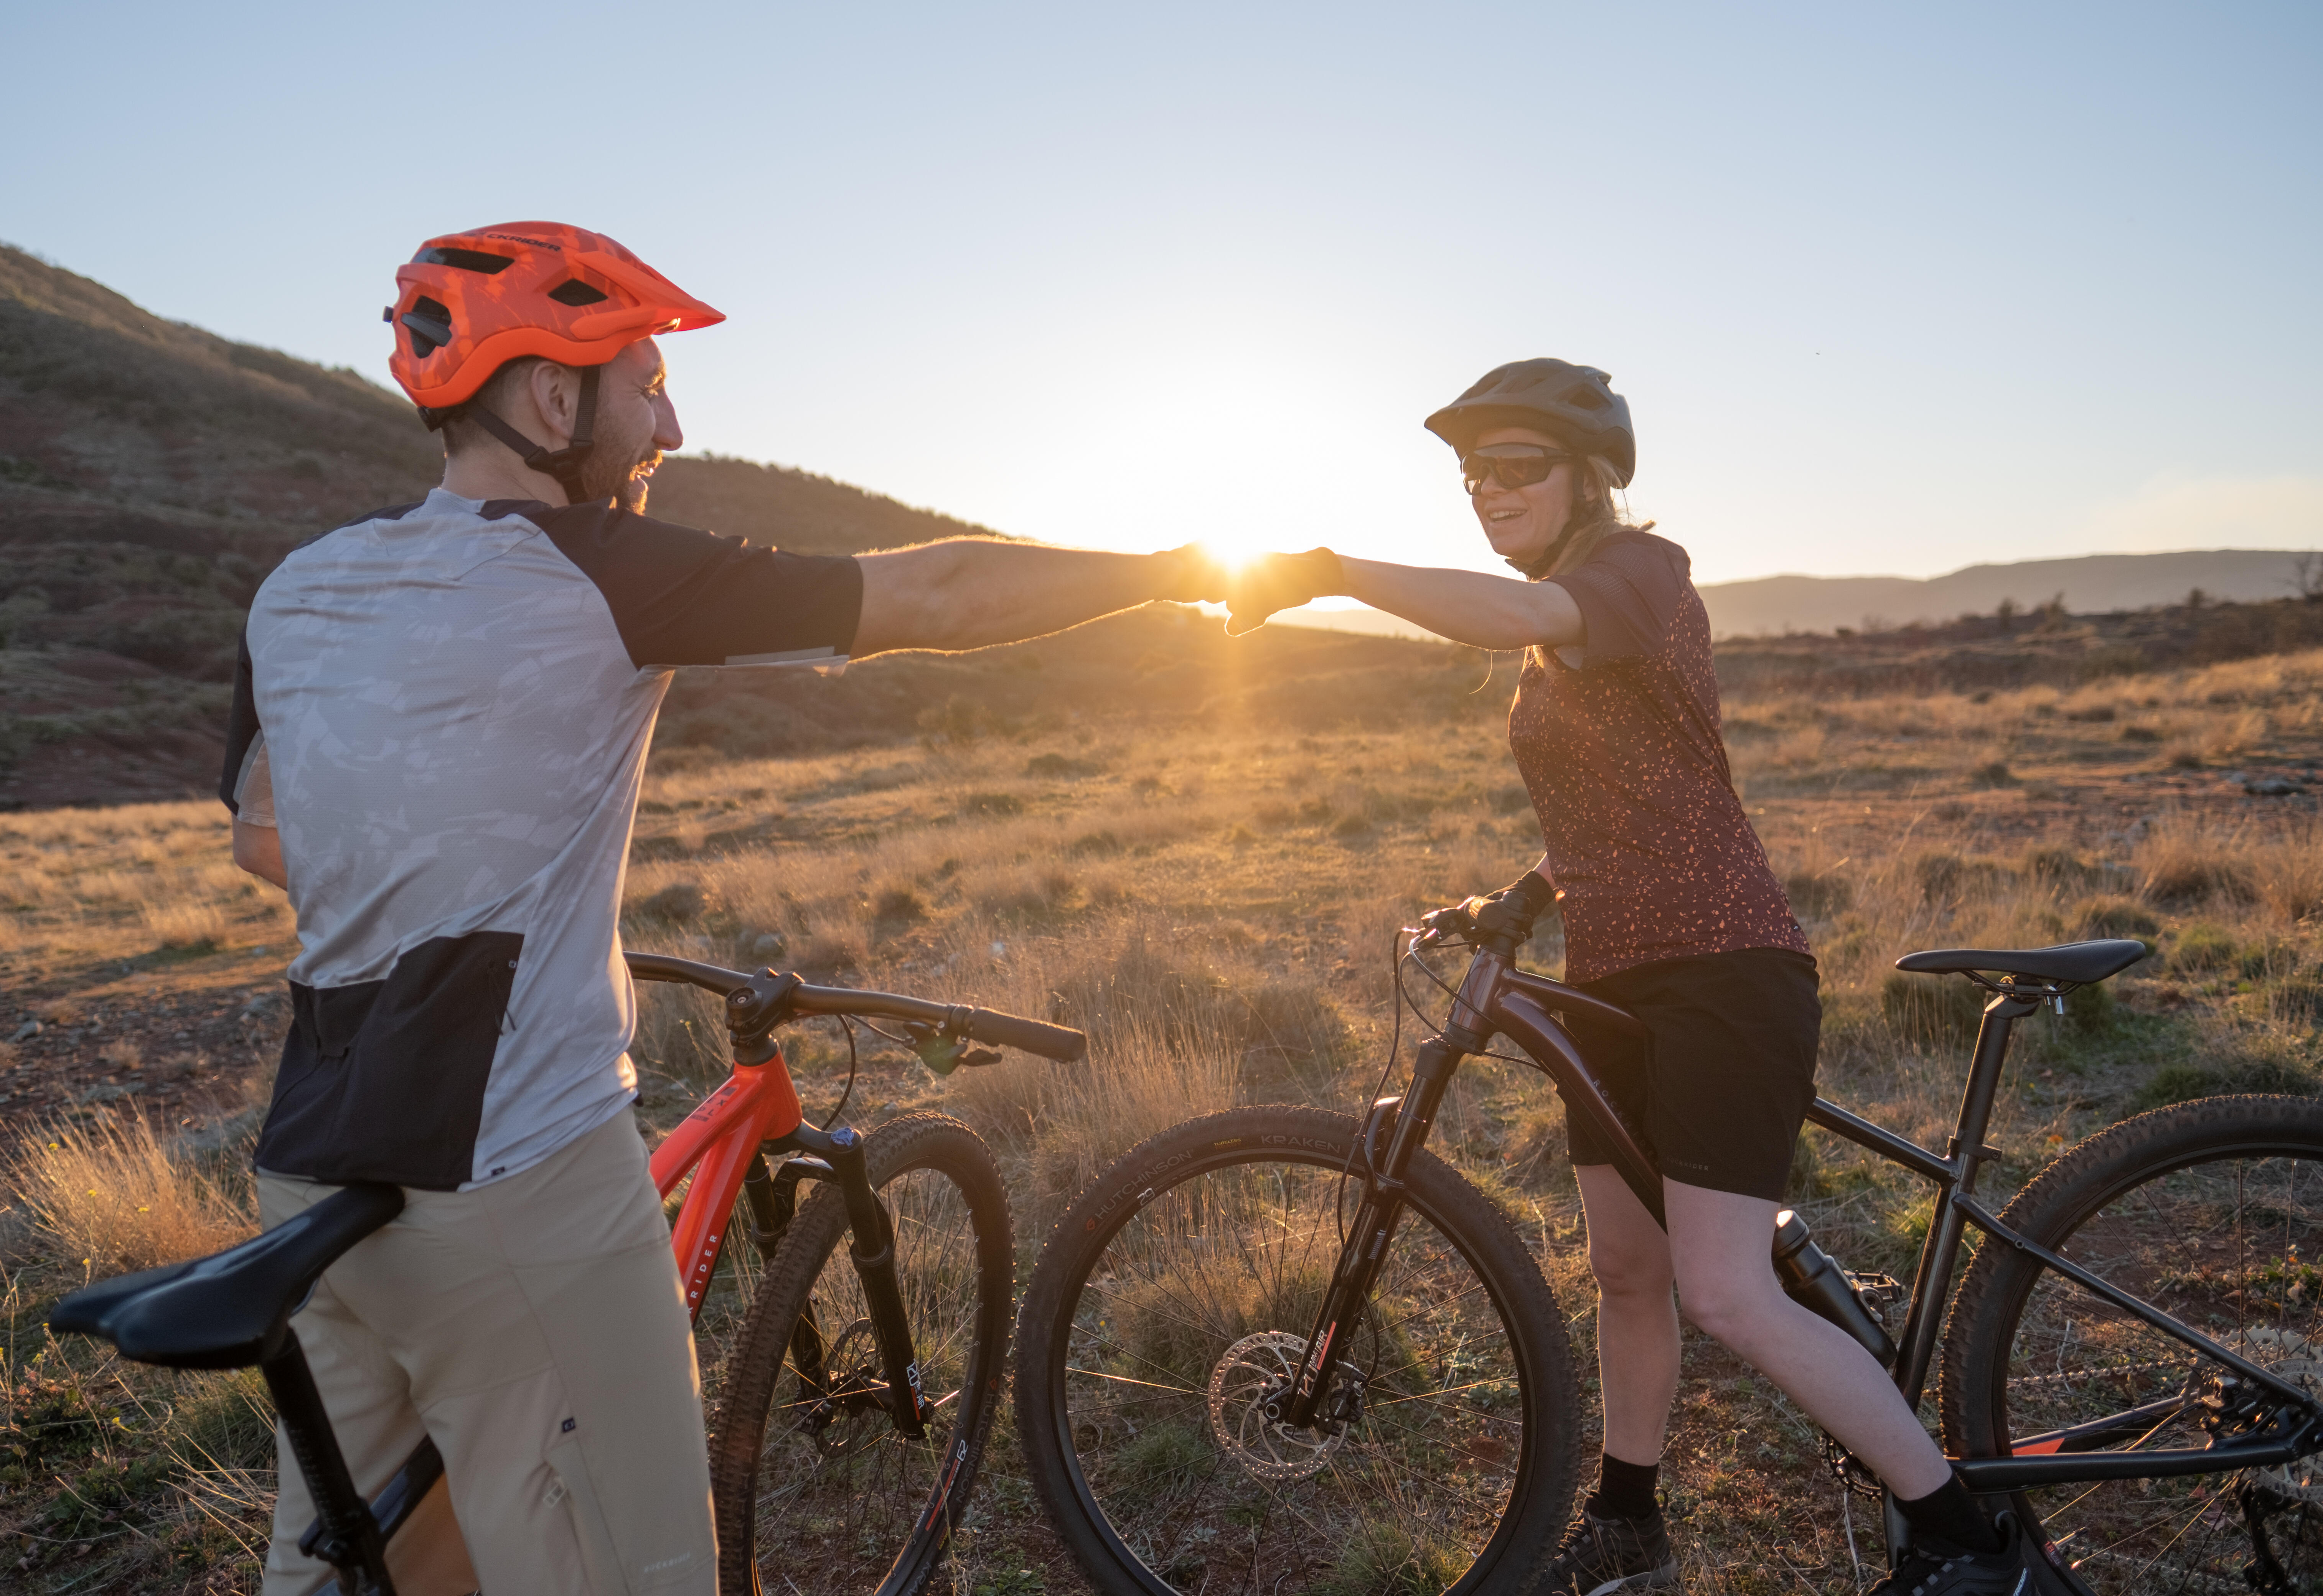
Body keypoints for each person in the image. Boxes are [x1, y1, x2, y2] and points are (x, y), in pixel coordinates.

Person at [223, 220, 1223, 1595]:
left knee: (364, 1566)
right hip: (512, 1169)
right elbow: (941, 590)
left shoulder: (298, 591)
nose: (672, 424)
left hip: (309, 1164)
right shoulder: (595, 568)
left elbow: (269, 845)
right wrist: (1181, 571)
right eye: (645, 384)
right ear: (552, 397)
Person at [1223, 360, 2037, 1596]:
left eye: (1516, 467)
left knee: (1723, 1287)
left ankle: (1963, 1542)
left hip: (1724, 972)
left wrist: (1329, 571)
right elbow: (1620, 807)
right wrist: (1524, 898)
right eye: (1470, 474)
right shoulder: (1565, 620)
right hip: (1613, 984)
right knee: (1626, 1269)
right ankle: (1630, 1520)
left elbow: (1519, 628)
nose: (1486, 491)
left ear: (1588, 474)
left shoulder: (1638, 576)